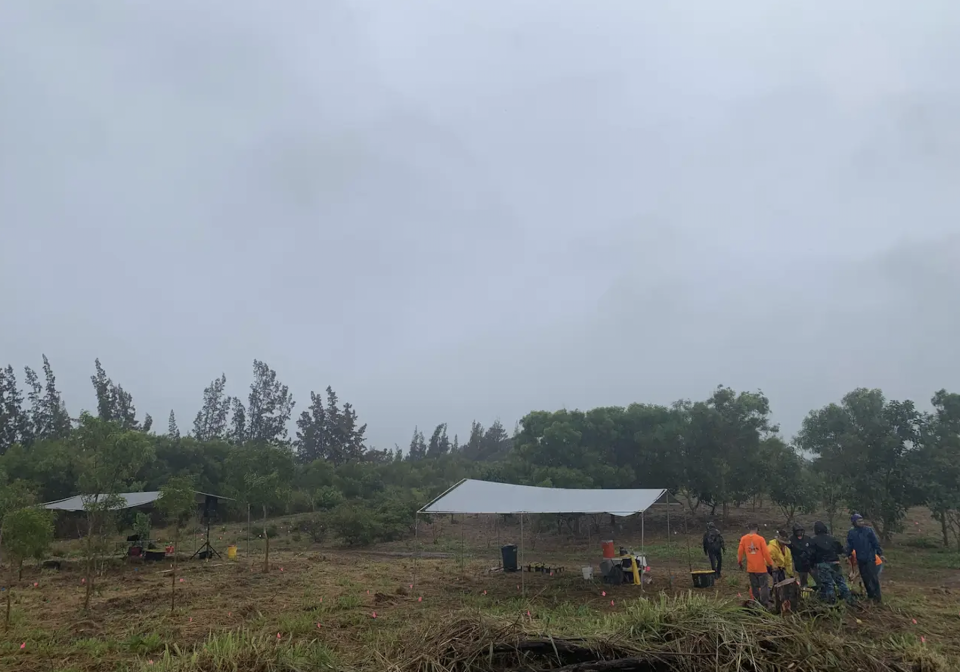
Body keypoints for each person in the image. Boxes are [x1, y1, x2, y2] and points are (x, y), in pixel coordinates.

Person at [808, 521, 851, 604]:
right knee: (841, 582)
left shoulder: (813, 540)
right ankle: (849, 600)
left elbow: (811, 554)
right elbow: (840, 550)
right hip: (835, 562)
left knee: (827, 584)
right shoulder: (832, 538)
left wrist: (812, 564)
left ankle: (831, 603)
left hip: (822, 564)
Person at [846, 513, 884, 602]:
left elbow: (875, 542)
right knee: (865, 578)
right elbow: (849, 545)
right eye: (859, 521)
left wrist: (880, 553)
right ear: (854, 522)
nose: (861, 522)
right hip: (860, 559)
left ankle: (877, 597)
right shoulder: (852, 533)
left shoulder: (868, 530)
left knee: (873, 577)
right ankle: (870, 596)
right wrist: (847, 554)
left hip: (870, 558)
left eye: (862, 520)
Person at [738, 522, 774, 608]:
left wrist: (739, 562)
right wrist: (771, 563)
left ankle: (756, 602)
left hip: (751, 568)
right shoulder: (760, 539)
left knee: (754, 586)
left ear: (749, 528)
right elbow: (766, 553)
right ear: (757, 529)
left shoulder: (743, 539)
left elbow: (740, 552)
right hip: (761, 568)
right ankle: (764, 603)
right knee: (764, 586)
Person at [788, 523, 815, 587]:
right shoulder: (791, 540)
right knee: (803, 581)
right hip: (799, 564)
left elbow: (813, 548)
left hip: (810, 562)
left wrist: (809, 554)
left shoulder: (807, 538)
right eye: (797, 531)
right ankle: (804, 592)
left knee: (817, 578)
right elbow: (788, 552)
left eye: (801, 531)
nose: (799, 533)